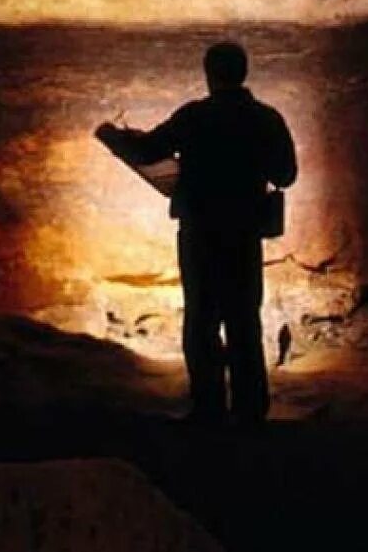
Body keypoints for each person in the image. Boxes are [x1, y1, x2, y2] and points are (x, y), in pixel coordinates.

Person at [97, 41, 297, 425]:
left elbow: (148, 150)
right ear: (244, 73)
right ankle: (250, 411)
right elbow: (286, 174)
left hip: (200, 233)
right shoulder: (265, 118)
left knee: (202, 320)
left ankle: (208, 408)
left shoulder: (194, 117)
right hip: (243, 234)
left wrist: (114, 137)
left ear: (209, 74)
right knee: (243, 320)